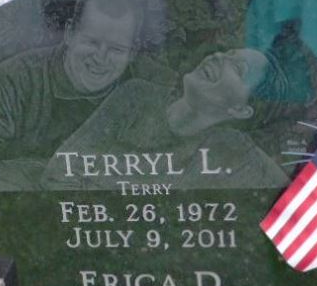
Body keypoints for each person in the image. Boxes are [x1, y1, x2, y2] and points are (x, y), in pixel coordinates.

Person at [0, 0, 145, 191]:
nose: (100, 58)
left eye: (116, 49)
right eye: (92, 42)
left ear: (132, 53)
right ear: (69, 33)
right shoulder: (17, 78)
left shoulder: (149, 89)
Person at [42, 47, 289, 191]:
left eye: (238, 69)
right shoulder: (136, 96)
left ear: (240, 110)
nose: (218, 56)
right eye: (226, 53)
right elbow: (57, 173)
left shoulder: (234, 150)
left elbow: (294, 206)